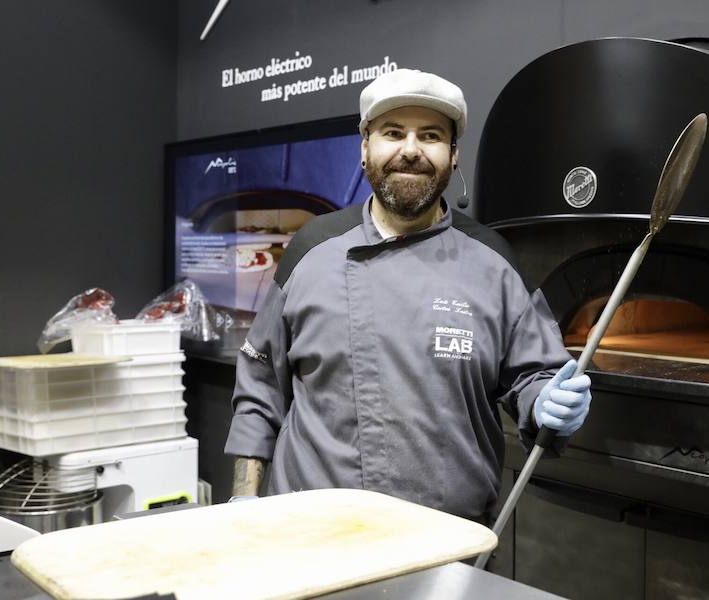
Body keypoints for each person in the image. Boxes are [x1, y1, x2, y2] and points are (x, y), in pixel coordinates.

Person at [224, 68, 591, 521]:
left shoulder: (494, 261)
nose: (411, 150)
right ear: (365, 148)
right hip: (307, 530)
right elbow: (260, 387)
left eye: (431, 136)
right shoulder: (311, 249)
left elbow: (532, 377)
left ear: (453, 155)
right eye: (393, 133)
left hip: (447, 538)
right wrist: (243, 501)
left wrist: (547, 404)